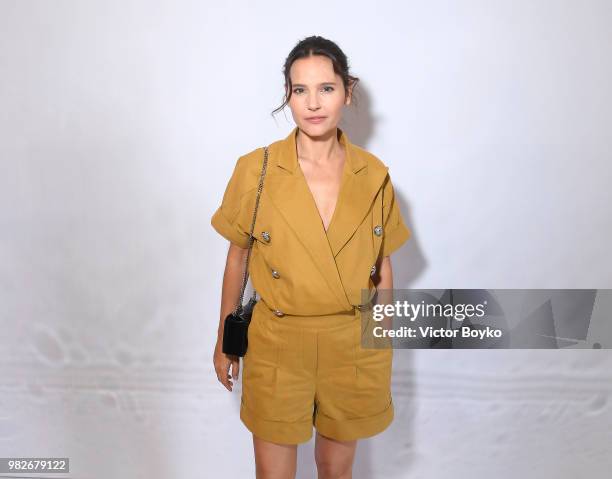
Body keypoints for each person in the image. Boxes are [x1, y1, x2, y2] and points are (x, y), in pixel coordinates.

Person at [211, 35, 411, 479]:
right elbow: (236, 258)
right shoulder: (255, 169)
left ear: (347, 91)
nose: (313, 103)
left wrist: (381, 340)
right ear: (288, 96)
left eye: (326, 88)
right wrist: (225, 337)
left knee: (337, 472)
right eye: (300, 90)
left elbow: (383, 266)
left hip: (350, 345)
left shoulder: (373, 174)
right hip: (277, 341)